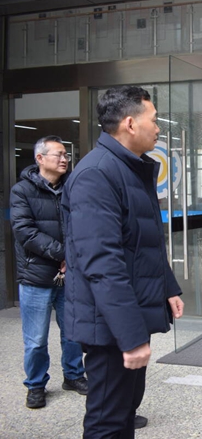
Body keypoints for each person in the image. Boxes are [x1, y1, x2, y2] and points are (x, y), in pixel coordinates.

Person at [62, 86, 184, 438]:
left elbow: (143, 242)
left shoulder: (129, 168)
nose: (158, 128)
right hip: (109, 326)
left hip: (128, 313)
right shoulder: (97, 174)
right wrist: (131, 337)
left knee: (125, 411)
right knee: (108, 422)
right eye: (154, 120)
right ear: (130, 124)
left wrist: (168, 287)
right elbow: (103, 264)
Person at [10, 136, 88, 409]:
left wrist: (72, 256)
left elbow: (83, 224)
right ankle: (35, 385)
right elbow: (25, 231)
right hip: (36, 276)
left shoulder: (73, 187)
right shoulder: (21, 190)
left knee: (73, 332)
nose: (64, 159)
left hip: (70, 276)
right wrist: (63, 254)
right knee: (35, 339)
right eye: (58, 154)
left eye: (66, 154)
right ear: (40, 158)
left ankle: (74, 375)